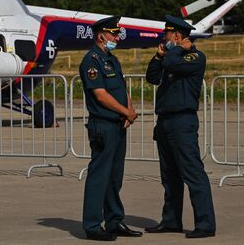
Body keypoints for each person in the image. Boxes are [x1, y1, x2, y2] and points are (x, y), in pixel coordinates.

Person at [144, 15, 216, 239]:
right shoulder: (170, 55)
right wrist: (158, 55)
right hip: (165, 120)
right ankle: (171, 220)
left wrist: (173, 50)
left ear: (176, 35)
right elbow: (152, 77)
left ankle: (205, 224)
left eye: (167, 35)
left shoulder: (195, 56)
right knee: (170, 176)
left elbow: (172, 64)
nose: (164, 39)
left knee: (192, 173)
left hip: (182, 121)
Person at [79, 15, 143, 241]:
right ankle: (92, 225)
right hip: (103, 125)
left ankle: (114, 221)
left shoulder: (112, 60)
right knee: (99, 176)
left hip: (118, 124)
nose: (116, 37)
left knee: (115, 177)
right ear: (100, 36)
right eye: (113, 34)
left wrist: (129, 108)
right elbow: (101, 94)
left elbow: (120, 87)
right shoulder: (92, 61)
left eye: (117, 33)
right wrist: (125, 112)